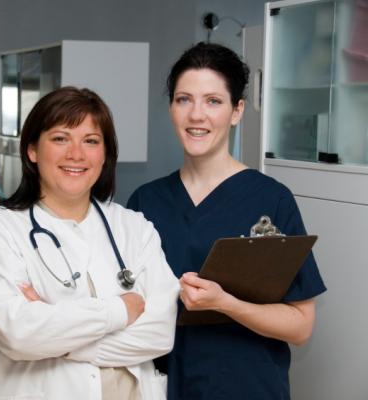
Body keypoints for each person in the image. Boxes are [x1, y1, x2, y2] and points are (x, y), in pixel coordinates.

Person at [127, 42, 327, 399]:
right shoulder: (145, 201)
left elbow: (301, 326)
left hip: (248, 387)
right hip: (165, 386)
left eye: (213, 101)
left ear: (237, 111)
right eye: (183, 99)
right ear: (171, 108)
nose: (196, 115)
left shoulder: (271, 199)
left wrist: (226, 303)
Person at [0, 86, 179, 400]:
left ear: (105, 154)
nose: (76, 154)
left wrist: (57, 340)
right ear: (32, 151)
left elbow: (160, 333)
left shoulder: (134, 227)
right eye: (60, 138)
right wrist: (119, 311)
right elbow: (17, 334)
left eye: (91, 141)